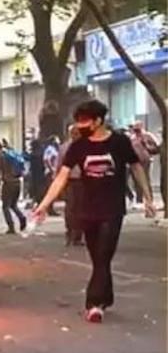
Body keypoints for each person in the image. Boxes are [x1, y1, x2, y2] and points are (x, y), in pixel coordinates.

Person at [34, 100, 155, 323]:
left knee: (103, 254)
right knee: (98, 258)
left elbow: (136, 167)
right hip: (87, 209)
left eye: (84, 121)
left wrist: (148, 197)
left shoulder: (119, 142)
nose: (80, 125)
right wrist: (43, 204)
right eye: (78, 121)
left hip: (112, 209)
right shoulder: (78, 147)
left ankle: (94, 303)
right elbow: (61, 177)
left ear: (98, 121)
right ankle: (106, 296)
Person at [0, 139, 27, 234]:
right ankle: (22, 217)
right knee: (13, 205)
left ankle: (11, 227)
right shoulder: (9, 153)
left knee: (5, 206)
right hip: (17, 182)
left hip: (8, 183)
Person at [59, 125, 83, 246]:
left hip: (84, 181)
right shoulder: (64, 147)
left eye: (77, 133)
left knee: (81, 208)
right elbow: (59, 165)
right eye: (73, 133)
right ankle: (70, 233)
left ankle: (78, 236)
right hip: (69, 180)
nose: (75, 135)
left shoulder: (86, 146)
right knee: (71, 208)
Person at [129, 121, 160, 205]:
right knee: (136, 180)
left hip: (146, 160)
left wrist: (147, 145)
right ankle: (139, 200)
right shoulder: (132, 138)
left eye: (138, 130)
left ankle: (149, 199)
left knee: (146, 179)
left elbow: (157, 148)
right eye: (135, 130)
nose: (137, 132)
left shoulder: (148, 136)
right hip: (135, 161)